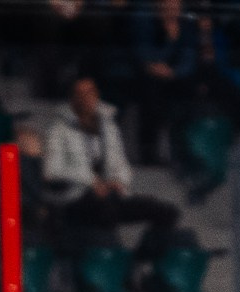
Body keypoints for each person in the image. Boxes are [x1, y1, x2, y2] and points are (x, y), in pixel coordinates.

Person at [43, 76, 179, 255]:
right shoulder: (59, 130)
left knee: (167, 212)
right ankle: (119, 267)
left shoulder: (109, 127)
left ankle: (139, 258)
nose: (87, 98)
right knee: (105, 208)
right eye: (81, 93)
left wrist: (118, 181)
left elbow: (120, 162)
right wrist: (91, 181)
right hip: (75, 197)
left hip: (109, 195)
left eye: (91, 92)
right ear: (73, 99)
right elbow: (51, 170)